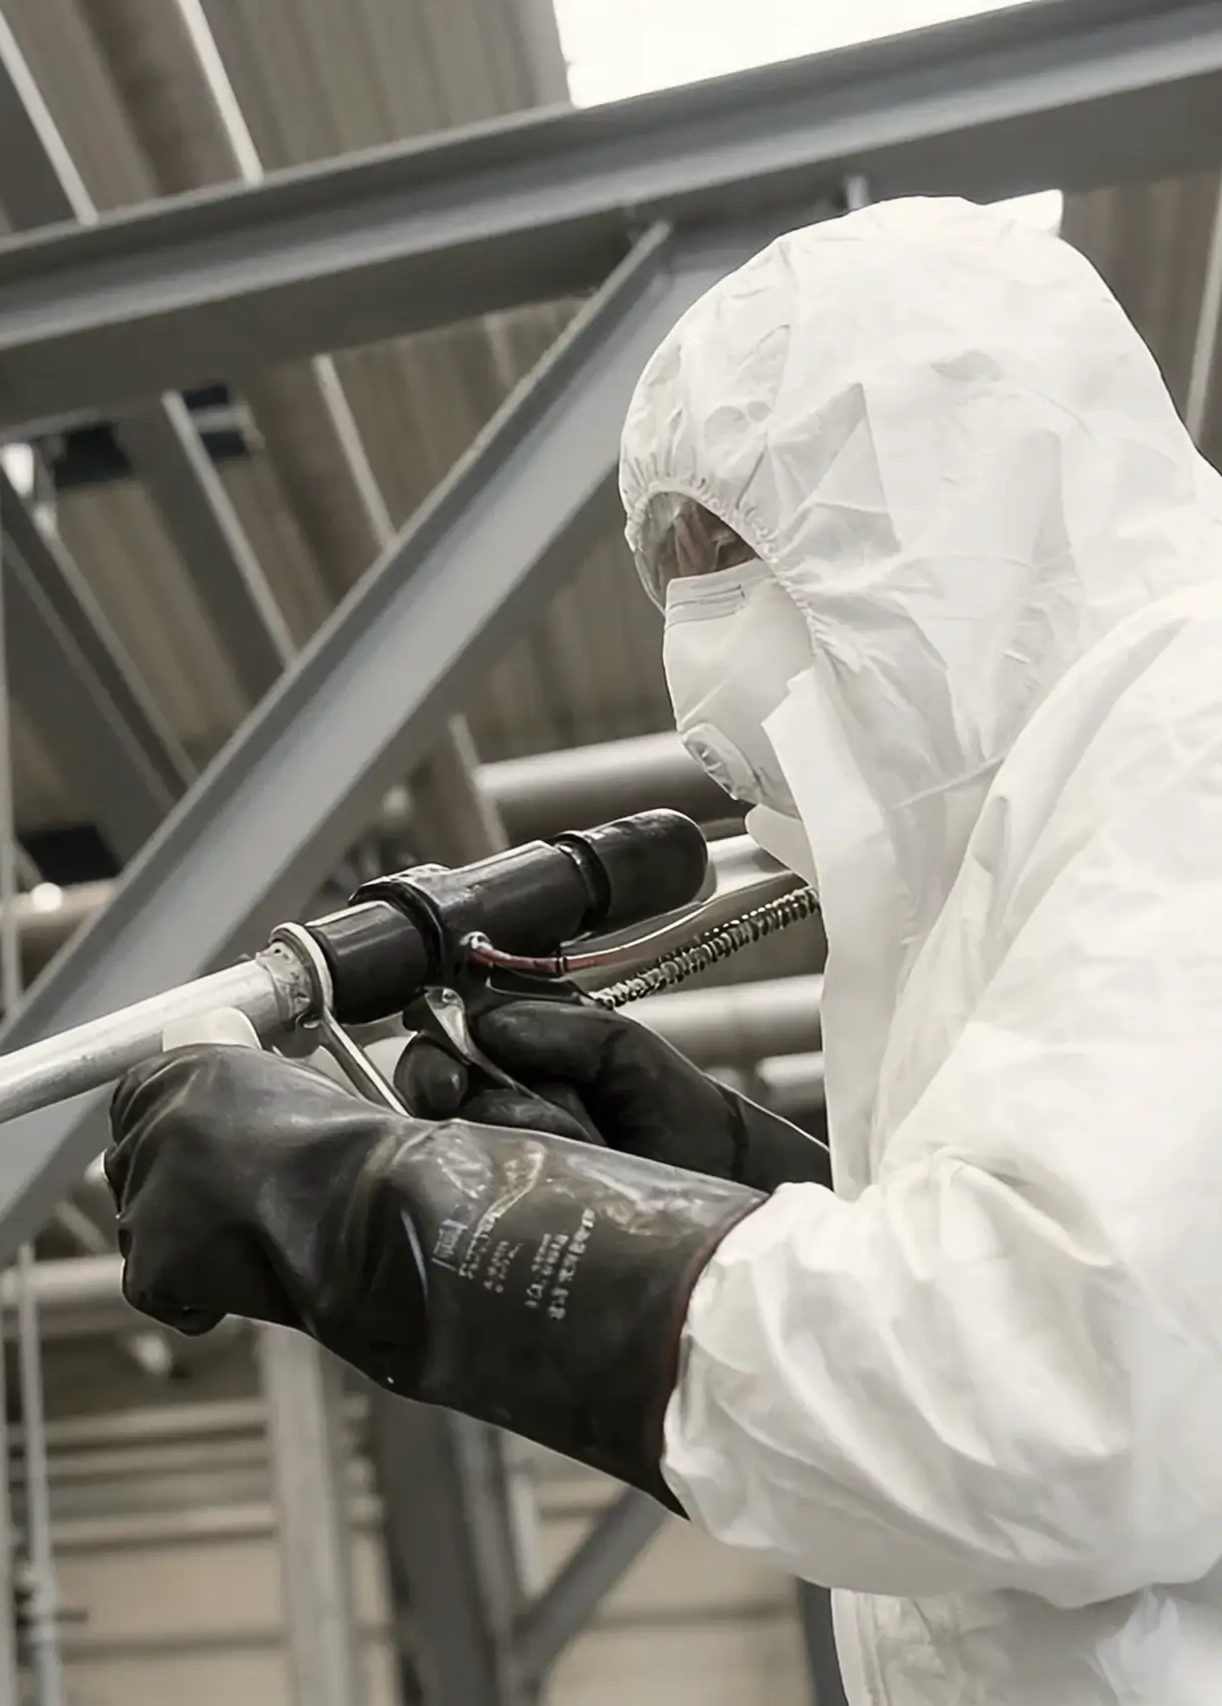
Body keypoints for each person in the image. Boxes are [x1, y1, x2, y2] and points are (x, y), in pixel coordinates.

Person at [102, 195, 1222, 1704]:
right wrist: (751, 1192)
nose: (694, 630)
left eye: (733, 545)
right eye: (677, 564)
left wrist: (401, 1217)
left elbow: (1074, 1380)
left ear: (958, 491)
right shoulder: (1026, 844)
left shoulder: (1191, 725)